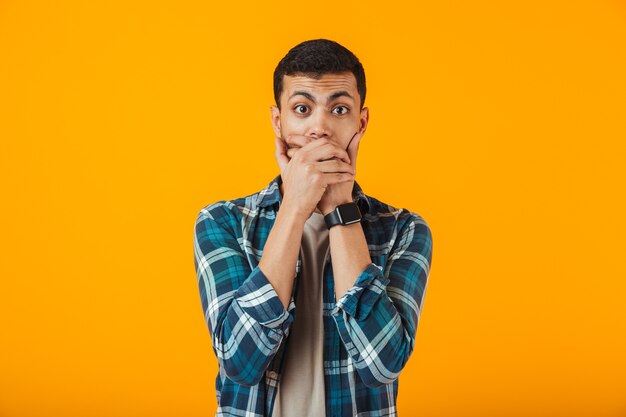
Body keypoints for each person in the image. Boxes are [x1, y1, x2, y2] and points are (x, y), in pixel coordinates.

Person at [193, 38, 433, 417]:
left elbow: (381, 364)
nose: (319, 128)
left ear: (362, 122)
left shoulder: (403, 230)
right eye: (302, 109)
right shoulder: (223, 222)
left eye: (339, 109)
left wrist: (340, 206)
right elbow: (240, 363)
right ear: (278, 121)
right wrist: (293, 208)